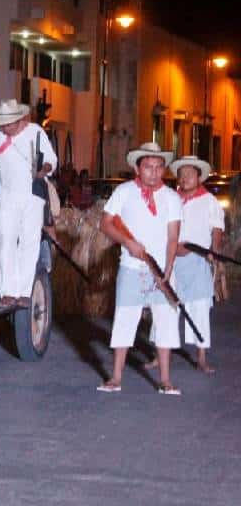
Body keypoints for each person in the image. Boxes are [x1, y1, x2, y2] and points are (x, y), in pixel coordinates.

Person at [98, 142, 182, 395]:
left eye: (158, 167)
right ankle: (115, 377)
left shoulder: (172, 197)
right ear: (138, 167)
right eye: (148, 167)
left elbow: (172, 238)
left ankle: (165, 380)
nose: (154, 173)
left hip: (161, 270)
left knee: (166, 321)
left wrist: (166, 270)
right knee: (125, 320)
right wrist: (128, 242)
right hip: (131, 267)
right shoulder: (123, 192)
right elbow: (105, 223)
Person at [0, 100, 57, 308]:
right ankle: (8, 291)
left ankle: (25, 292)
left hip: (32, 196)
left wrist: (42, 170)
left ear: (18, 120)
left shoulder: (35, 132)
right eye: (1, 123)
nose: (4, 127)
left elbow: (52, 161)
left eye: (7, 124)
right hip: (7, 196)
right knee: (7, 241)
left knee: (29, 242)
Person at [162, 155, 223, 373]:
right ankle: (158, 355)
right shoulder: (170, 198)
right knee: (165, 308)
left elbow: (217, 228)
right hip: (171, 259)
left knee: (199, 308)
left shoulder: (209, 201)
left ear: (199, 177)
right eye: (182, 174)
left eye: (190, 174)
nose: (186, 177)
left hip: (197, 261)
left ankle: (201, 357)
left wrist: (214, 251)